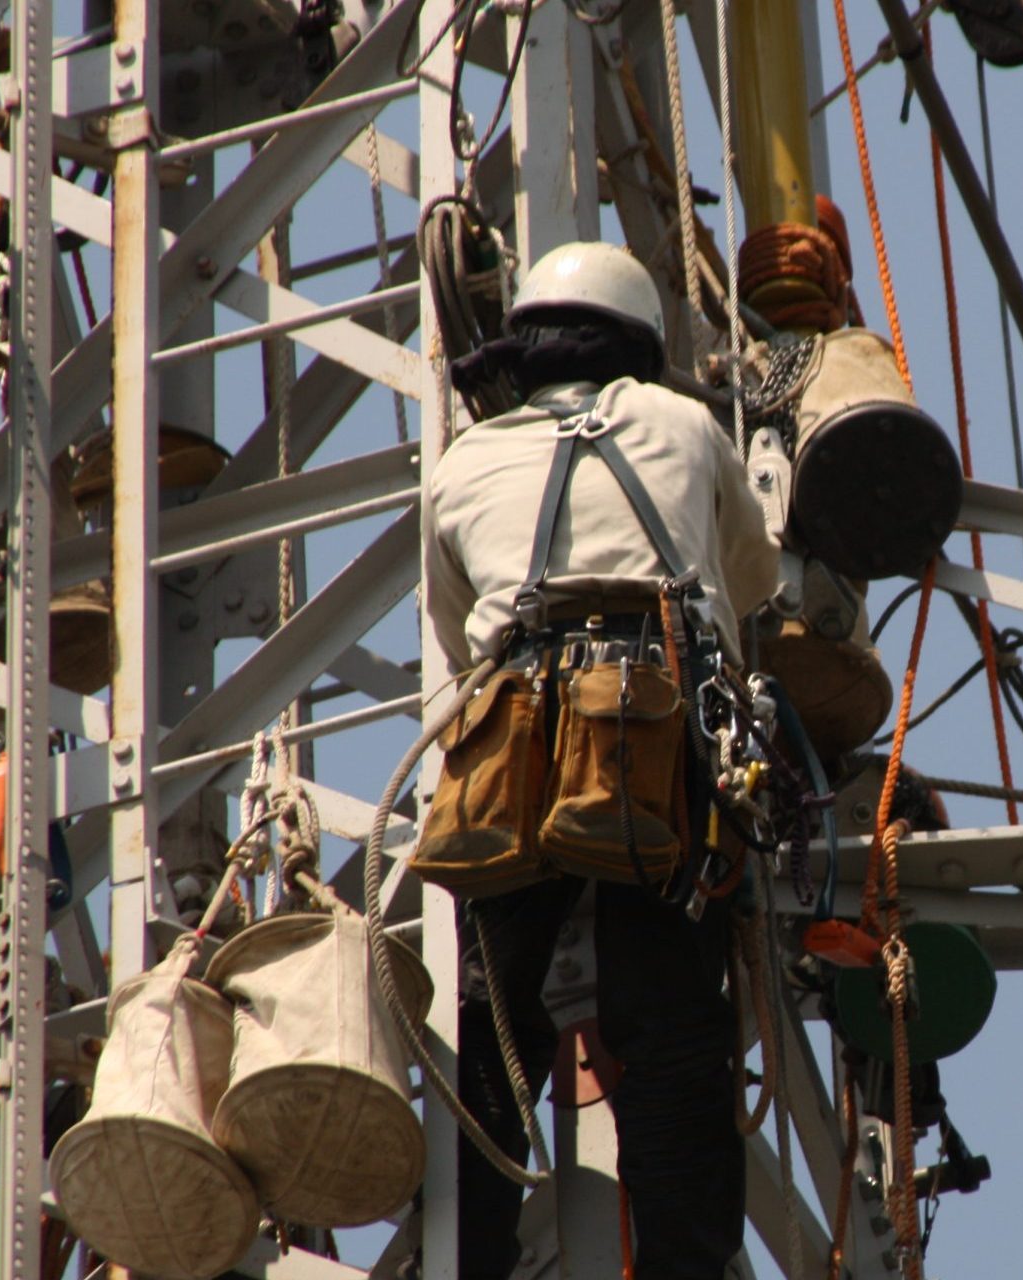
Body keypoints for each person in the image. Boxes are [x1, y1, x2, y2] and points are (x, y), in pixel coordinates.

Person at [423, 240, 778, 1279]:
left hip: (506, 752)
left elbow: (458, 641)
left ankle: (465, 1257)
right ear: (639, 346)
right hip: (652, 738)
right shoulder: (681, 423)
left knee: (488, 1035)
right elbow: (748, 581)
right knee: (672, 1036)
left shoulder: (462, 462)